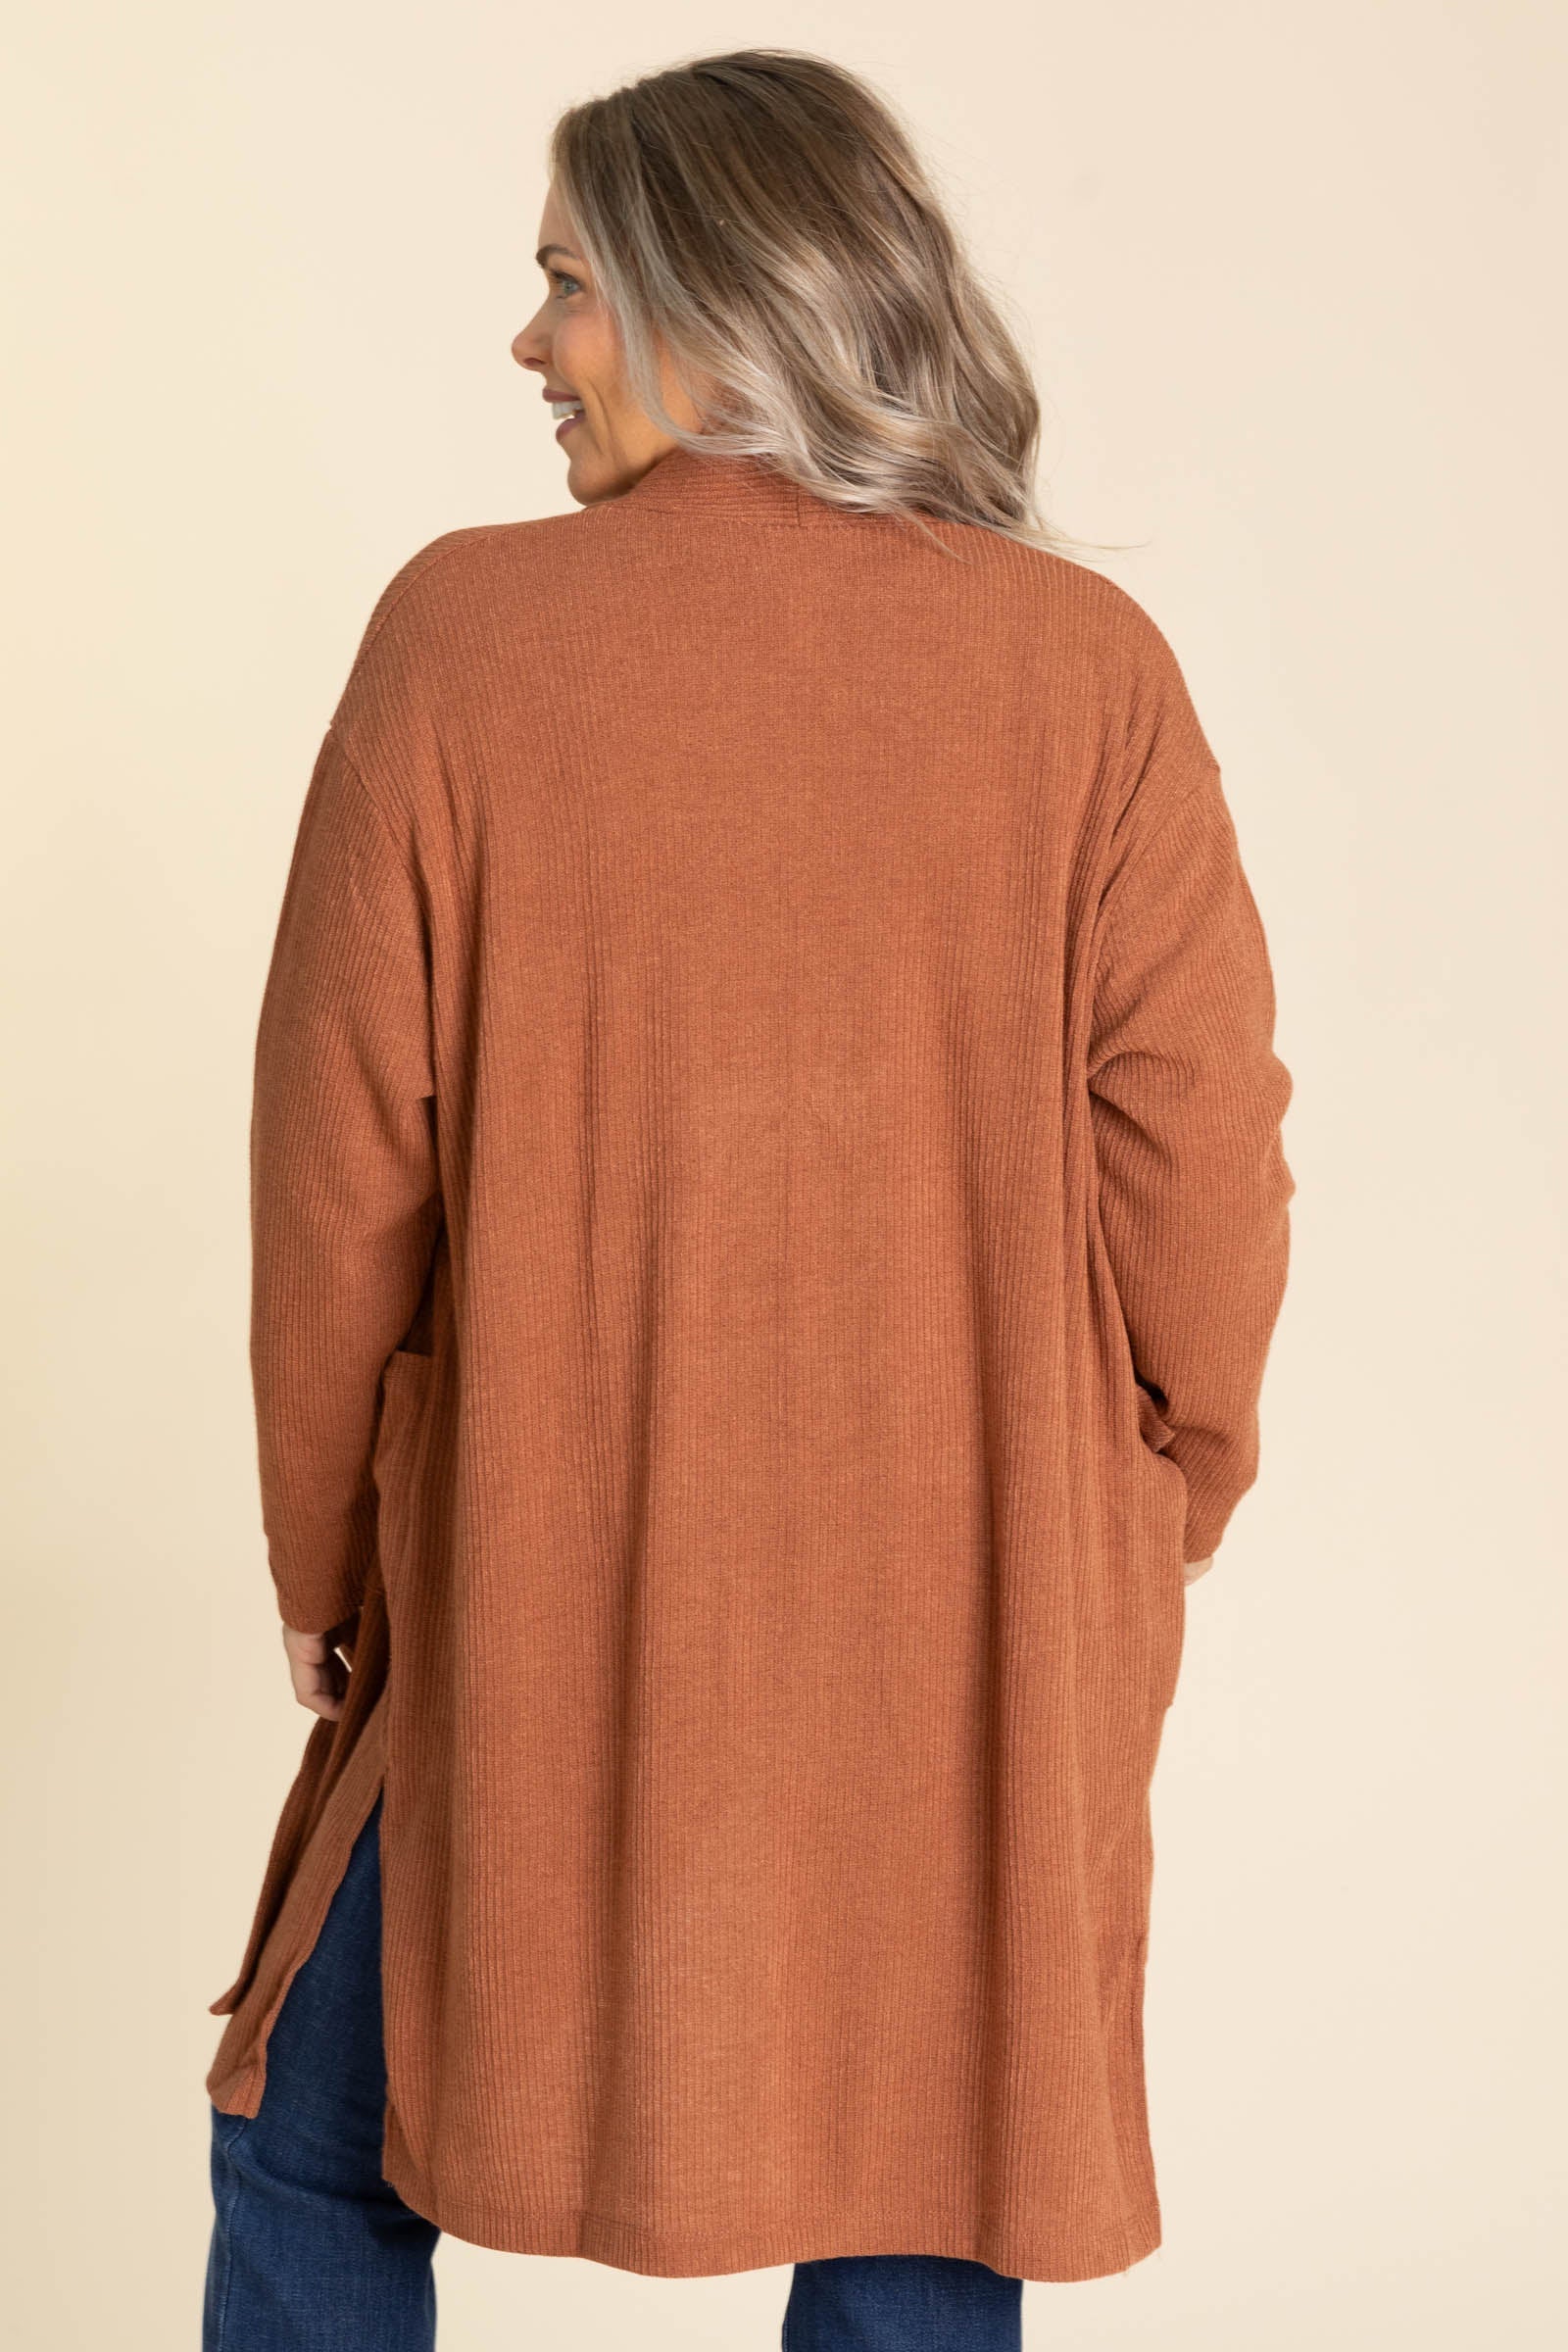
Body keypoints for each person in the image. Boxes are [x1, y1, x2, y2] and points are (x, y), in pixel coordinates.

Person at [201, 45, 1294, 2352]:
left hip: (544, 1582)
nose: (527, 342)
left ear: (719, 297)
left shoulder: (460, 642)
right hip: (973, 1598)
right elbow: (1197, 1156)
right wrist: (1165, 1482)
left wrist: (330, 1565)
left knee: (309, 2138)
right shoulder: (1082, 670)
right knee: (925, 2171)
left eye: (568, 284)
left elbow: (336, 1182)